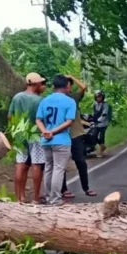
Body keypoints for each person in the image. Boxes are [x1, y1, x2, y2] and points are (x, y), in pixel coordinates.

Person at [36, 74, 77, 206]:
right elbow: (69, 121)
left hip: (46, 140)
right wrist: (53, 132)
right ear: (66, 86)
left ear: (53, 86)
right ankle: (55, 199)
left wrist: (45, 131)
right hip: (61, 139)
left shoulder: (45, 100)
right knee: (59, 169)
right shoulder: (70, 101)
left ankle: (49, 197)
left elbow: (38, 119)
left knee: (48, 168)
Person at [8, 72, 47, 202]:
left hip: (19, 134)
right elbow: (42, 119)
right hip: (35, 134)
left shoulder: (17, 97)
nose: (43, 86)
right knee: (37, 164)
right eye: (41, 83)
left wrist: (15, 130)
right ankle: (36, 197)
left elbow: (10, 116)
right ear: (35, 84)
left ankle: (20, 197)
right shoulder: (40, 100)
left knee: (21, 164)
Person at [61, 75, 96, 198]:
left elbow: (84, 87)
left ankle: (86, 188)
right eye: (67, 84)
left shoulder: (74, 97)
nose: (69, 87)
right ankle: (64, 189)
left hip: (76, 134)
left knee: (81, 162)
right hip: (63, 135)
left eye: (70, 85)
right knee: (62, 164)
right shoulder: (58, 99)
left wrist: (71, 77)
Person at [92, 90, 112, 158]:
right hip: (96, 123)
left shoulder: (105, 104)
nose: (98, 98)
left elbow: (104, 114)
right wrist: (92, 119)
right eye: (97, 97)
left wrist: (99, 120)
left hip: (103, 123)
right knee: (93, 135)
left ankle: (101, 151)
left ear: (102, 97)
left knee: (101, 136)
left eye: (100, 97)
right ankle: (102, 146)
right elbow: (94, 113)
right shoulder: (94, 104)